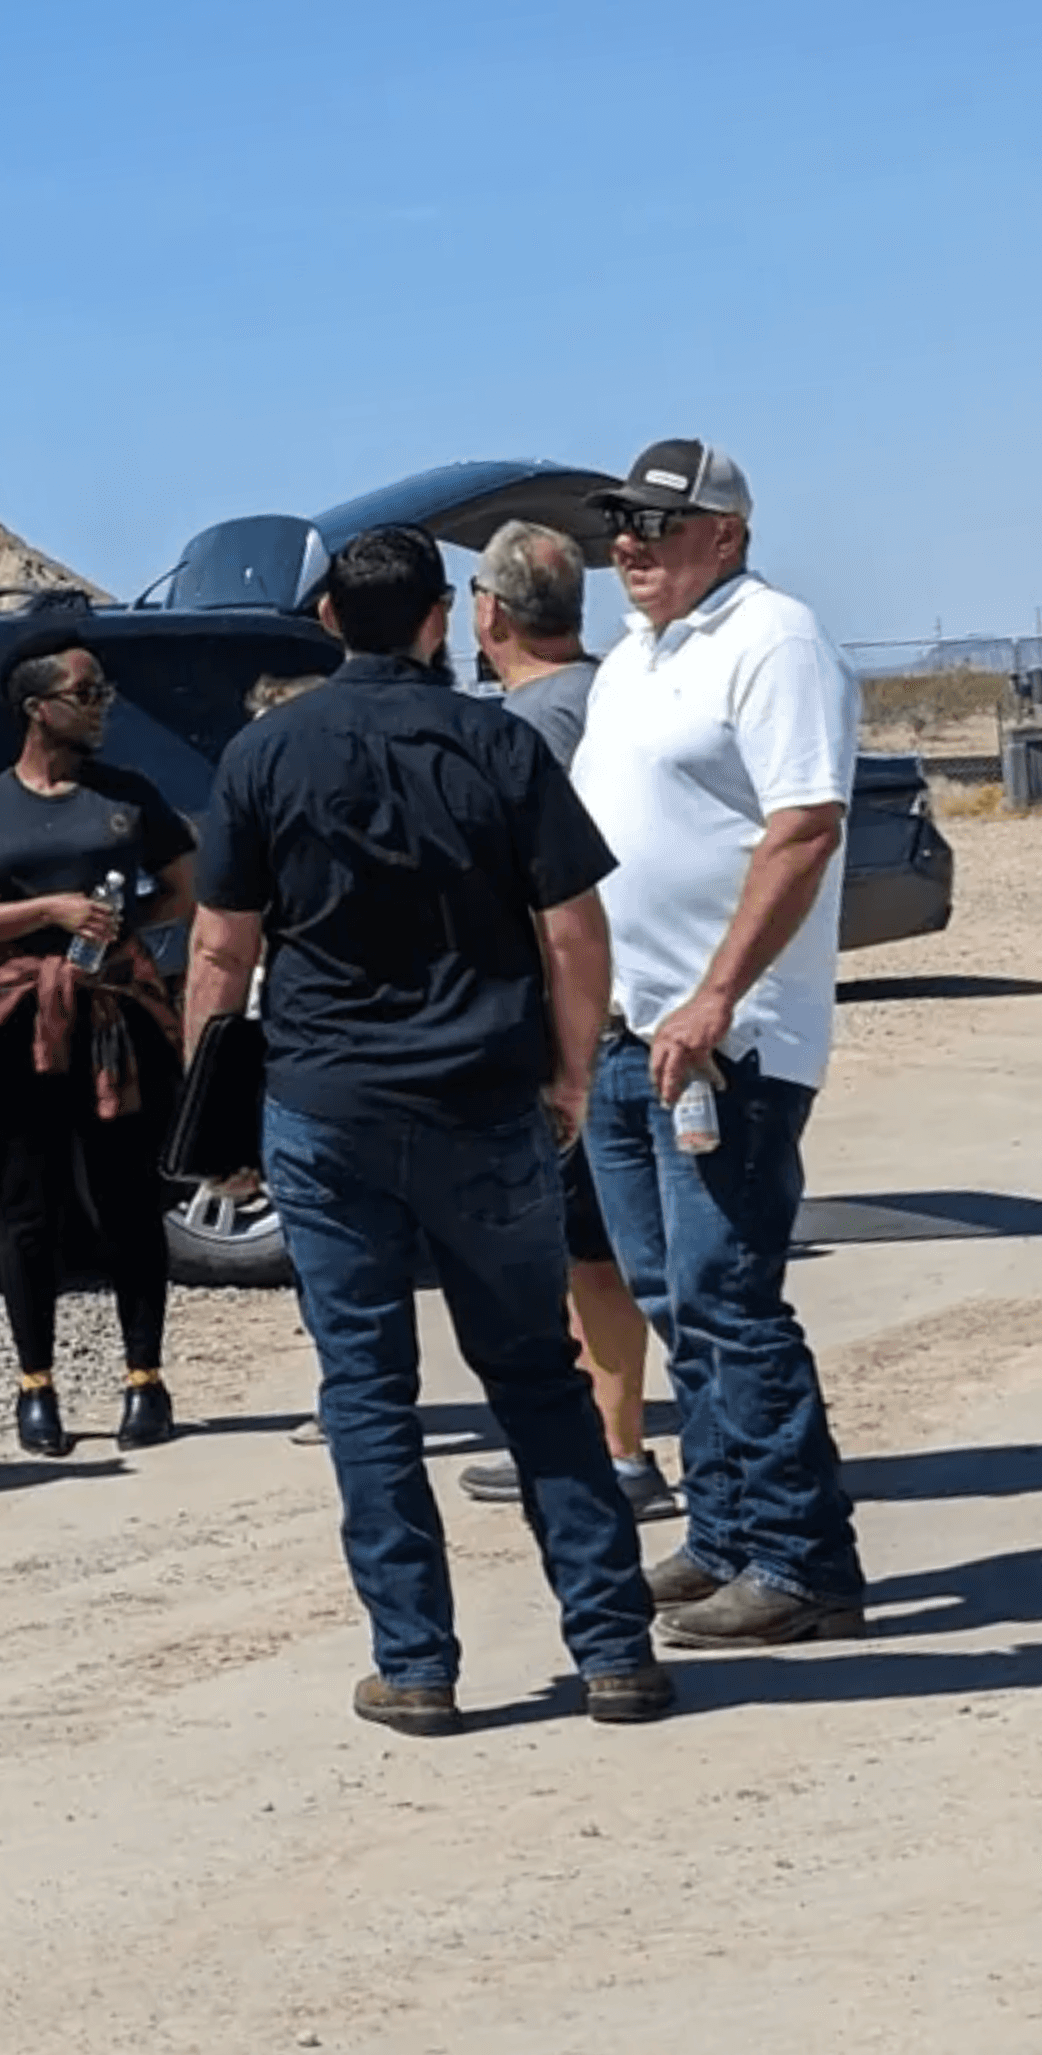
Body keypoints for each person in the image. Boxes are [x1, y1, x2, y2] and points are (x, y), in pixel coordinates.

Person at [186, 525, 668, 1733]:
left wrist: (215, 1110)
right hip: (485, 1103)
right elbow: (573, 933)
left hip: (328, 1110)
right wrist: (567, 1080)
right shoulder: (499, 746)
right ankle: (614, 1651)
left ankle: (418, 1667)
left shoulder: (263, 754)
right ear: (440, 618)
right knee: (536, 1379)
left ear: (332, 621)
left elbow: (220, 949)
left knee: (367, 1392)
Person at [573, 440, 867, 1650]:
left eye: (656, 522)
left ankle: (805, 1562)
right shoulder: (638, 659)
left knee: (729, 1295)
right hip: (626, 1030)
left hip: (726, 1038)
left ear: (727, 534)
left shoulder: (774, 640)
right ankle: (730, 1531)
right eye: (619, 525)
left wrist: (715, 995)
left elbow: (802, 830)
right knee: (668, 1293)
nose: (630, 544)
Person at [449, 524, 681, 1525]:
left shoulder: (528, 726)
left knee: (574, 1245)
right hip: (643, 997)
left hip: (566, 1017)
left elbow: (532, 891)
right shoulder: (615, 690)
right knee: (613, 1244)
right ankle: (614, 1439)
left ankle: (609, 1450)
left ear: (491, 613)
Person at [0, 627, 196, 1457]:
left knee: (125, 1200)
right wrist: (49, 913)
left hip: (113, 1017)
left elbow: (183, 887)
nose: (101, 706)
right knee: (26, 1206)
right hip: (19, 1024)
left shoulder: (126, 795)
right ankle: (35, 1386)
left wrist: (121, 932)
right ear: (36, 707)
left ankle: (144, 1380)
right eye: (87, 693)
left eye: (102, 692)